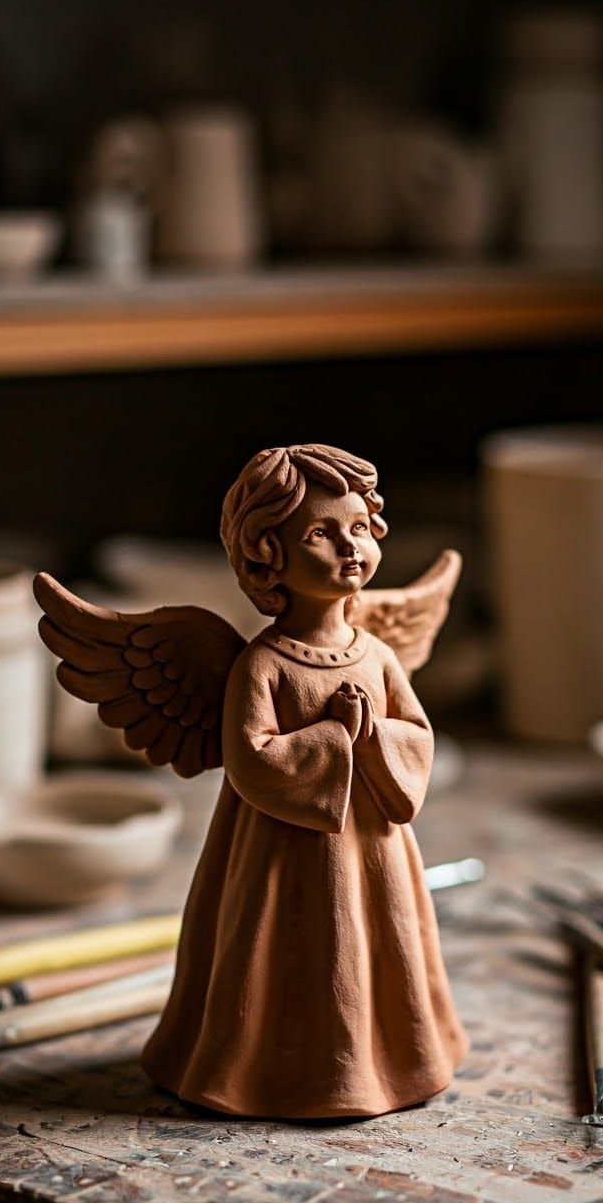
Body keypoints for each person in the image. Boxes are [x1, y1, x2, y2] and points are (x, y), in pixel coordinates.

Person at [139, 444, 469, 1119]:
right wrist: (332, 738)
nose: (349, 547)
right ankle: (263, 1070)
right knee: (288, 952)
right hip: (281, 854)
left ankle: (391, 1058)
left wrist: (373, 733)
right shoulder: (262, 665)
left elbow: (418, 734)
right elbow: (252, 757)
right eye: (320, 533)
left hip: (372, 845)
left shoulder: (375, 653)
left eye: (357, 527)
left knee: (374, 942)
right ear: (267, 555)